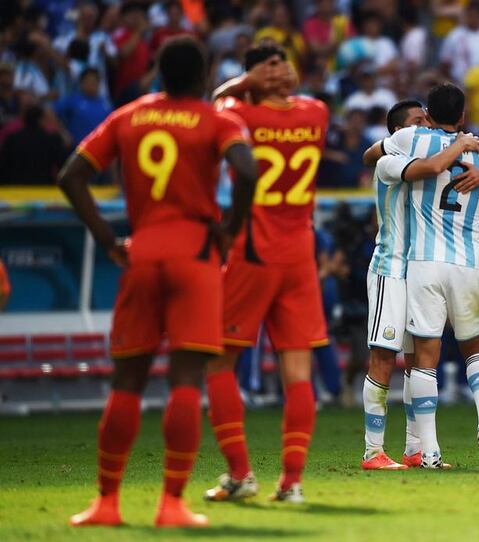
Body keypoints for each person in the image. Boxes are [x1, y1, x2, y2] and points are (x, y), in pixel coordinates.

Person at [60, 36, 257, 527]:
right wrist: (230, 228)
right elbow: (248, 172)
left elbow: (70, 176)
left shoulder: (129, 116)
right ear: (204, 76)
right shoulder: (218, 120)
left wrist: (109, 237)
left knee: (126, 381)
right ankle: (171, 504)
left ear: (159, 75)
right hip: (195, 254)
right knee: (186, 382)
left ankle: (106, 503)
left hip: (142, 252)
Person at [205, 44, 329, 504]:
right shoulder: (316, 113)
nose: (279, 69)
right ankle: (291, 483)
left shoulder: (239, 117)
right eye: (270, 64)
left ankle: (240, 475)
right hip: (299, 256)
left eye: (283, 61)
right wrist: (269, 79)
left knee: (218, 362)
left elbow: (218, 104)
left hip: (251, 253)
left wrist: (247, 80)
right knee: (297, 370)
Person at [382, 83, 479, 469]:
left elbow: (373, 154)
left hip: (425, 262)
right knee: (477, 349)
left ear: (427, 116)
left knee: (425, 358)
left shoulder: (410, 137)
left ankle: (430, 452)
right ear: (463, 117)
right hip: (469, 262)